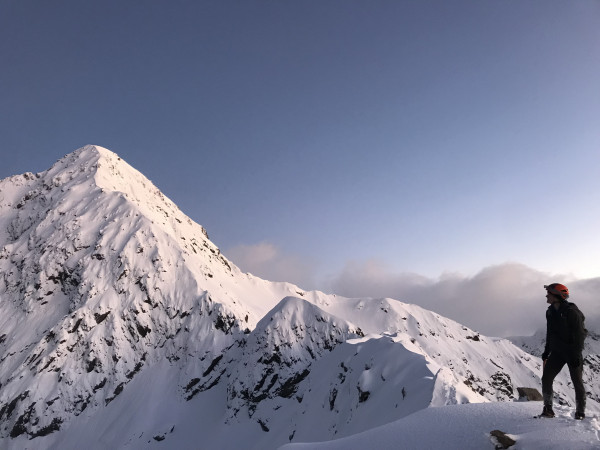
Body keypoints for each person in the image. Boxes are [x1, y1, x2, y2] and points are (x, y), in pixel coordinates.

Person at [540, 283, 587, 419]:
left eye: (549, 293)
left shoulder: (571, 312)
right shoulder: (550, 312)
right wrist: (547, 351)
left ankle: (580, 412)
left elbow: (580, 334)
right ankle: (548, 409)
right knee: (546, 378)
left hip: (572, 352)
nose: (546, 295)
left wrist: (577, 353)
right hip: (557, 352)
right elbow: (550, 332)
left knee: (577, 382)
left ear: (557, 295)